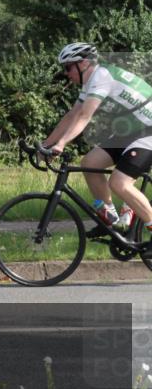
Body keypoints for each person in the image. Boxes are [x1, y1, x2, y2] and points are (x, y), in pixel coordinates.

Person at [41, 42, 152, 241]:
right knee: (90, 163)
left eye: (68, 67)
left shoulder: (101, 77)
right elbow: (72, 115)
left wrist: (61, 143)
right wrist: (47, 144)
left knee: (120, 183)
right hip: (133, 130)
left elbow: (84, 117)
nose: (66, 73)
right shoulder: (92, 80)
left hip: (148, 130)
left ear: (82, 63)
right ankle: (110, 221)